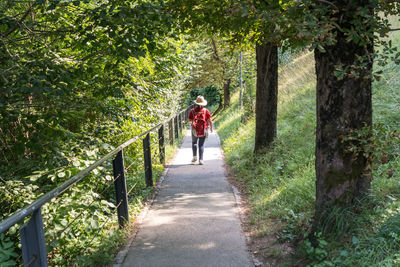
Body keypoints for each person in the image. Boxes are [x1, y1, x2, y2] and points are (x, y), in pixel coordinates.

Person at [188, 95, 213, 165]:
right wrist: (211, 127)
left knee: (194, 143)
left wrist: (192, 123)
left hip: (194, 129)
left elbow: (189, 120)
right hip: (204, 129)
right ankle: (201, 160)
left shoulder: (192, 111)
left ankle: (194, 156)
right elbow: (209, 120)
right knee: (201, 144)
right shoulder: (206, 111)